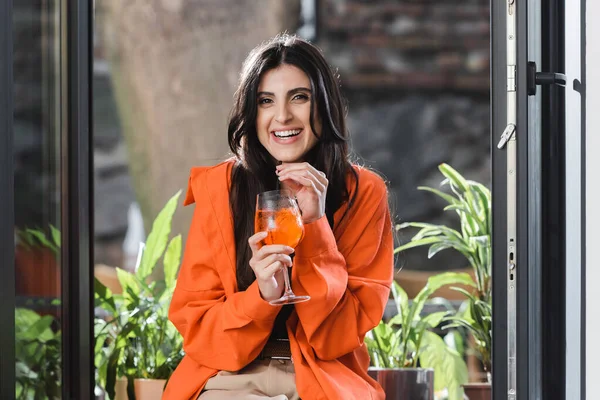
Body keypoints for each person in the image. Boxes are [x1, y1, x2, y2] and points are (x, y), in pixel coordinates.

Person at [163, 34, 394, 400]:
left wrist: (317, 225)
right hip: (229, 376)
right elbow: (199, 331)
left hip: (321, 378)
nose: (282, 116)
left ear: (324, 106)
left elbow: (337, 336)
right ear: (252, 115)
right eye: (265, 101)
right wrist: (263, 297)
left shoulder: (363, 193)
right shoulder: (221, 188)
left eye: (299, 97)